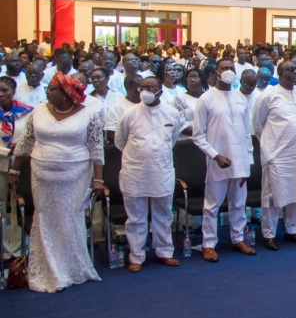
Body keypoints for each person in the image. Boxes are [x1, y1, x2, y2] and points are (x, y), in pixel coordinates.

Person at [9, 73, 103, 293]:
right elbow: (25, 142)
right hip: (42, 173)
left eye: (52, 89)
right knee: (46, 217)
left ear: (66, 93)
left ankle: (72, 267)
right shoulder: (38, 111)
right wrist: (14, 169)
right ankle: (48, 268)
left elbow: (97, 149)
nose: (48, 92)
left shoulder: (90, 114)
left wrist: (98, 179)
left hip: (75, 174)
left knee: (69, 217)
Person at [113, 76, 185, 272]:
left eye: (151, 88)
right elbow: (120, 141)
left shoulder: (172, 113)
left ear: (160, 91)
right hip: (135, 171)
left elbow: (173, 139)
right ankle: (136, 255)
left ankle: (164, 252)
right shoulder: (128, 114)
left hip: (161, 170)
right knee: (136, 216)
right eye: (143, 87)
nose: (145, 90)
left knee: (163, 214)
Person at [192, 59, 257, 262]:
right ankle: (209, 244)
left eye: (231, 68)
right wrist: (215, 155)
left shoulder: (240, 99)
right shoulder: (206, 98)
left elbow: (247, 134)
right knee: (212, 205)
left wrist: (248, 163)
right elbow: (197, 135)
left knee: (239, 203)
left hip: (240, 161)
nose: (228, 71)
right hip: (217, 161)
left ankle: (237, 239)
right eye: (224, 69)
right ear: (215, 74)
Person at [253, 60, 296, 248]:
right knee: (272, 195)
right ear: (279, 72)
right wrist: (269, 147)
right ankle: (268, 233)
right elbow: (257, 124)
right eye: (290, 69)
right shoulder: (268, 95)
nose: (295, 72)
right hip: (276, 154)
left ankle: (291, 230)